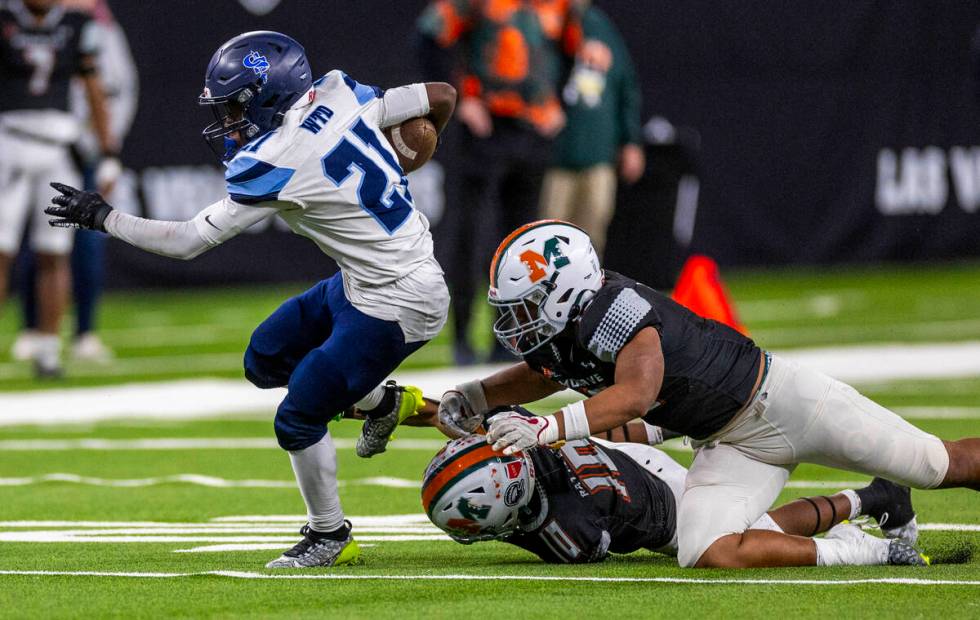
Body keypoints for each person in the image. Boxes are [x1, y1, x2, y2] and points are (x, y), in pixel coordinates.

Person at [45, 30, 458, 569]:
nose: (229, 119)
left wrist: (104, 218)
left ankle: (329, 534)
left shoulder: (280, 157)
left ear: (269, 95)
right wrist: (404, 158)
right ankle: (385, 402)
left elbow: (190, 241)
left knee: (298, 416)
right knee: (266, 360)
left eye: (236, 105)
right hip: (361, 280)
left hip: (400, 299)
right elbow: (442, 96)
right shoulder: (339, 92)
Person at [434, 219, 980, 569]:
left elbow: (635, 396)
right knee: (705, 551)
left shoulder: (616, 307)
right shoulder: (573, 328)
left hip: (784, 404)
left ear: (566, 291)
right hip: (730, 442)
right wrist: (476, 396)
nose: (516, 323)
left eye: (528, 306)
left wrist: (544, 428)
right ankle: (861, 551)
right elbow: (543, 374)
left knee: (939, 465)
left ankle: (893, 494)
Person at [422, 411, 922, 565]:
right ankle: (877, 497)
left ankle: (868, 546)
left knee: (725, 549)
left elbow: (586, 544)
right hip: (640, 465)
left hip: (661, 509)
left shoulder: (569, 529)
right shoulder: (532, 450)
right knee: (751, 528)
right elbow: (586, 435)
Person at [417, 0, 585, 365]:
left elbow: (578, 51)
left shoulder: (561, 5)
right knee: (471, 234)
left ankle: (510, 337)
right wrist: (458, 100)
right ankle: (462, 335)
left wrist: (559, 103)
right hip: (486, 129)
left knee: (523, 241)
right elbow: (431, 35)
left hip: (534, 129)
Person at [12, 0, 138, 364]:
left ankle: (82, 331)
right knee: (22, 243)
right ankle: (33, 328)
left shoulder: (96, 27)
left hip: (77, 149)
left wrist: (107, 147)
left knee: (76, 245)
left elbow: (117, 89)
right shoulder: (20, 24)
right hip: (35, 141)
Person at [540, 6, 644, 257]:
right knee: (548, 239)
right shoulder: (544, 17)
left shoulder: (600, 25)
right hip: (555, 156)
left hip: (598, 154)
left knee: (592, 238)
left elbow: (626, 84)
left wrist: (631, 141)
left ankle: (590, 294)